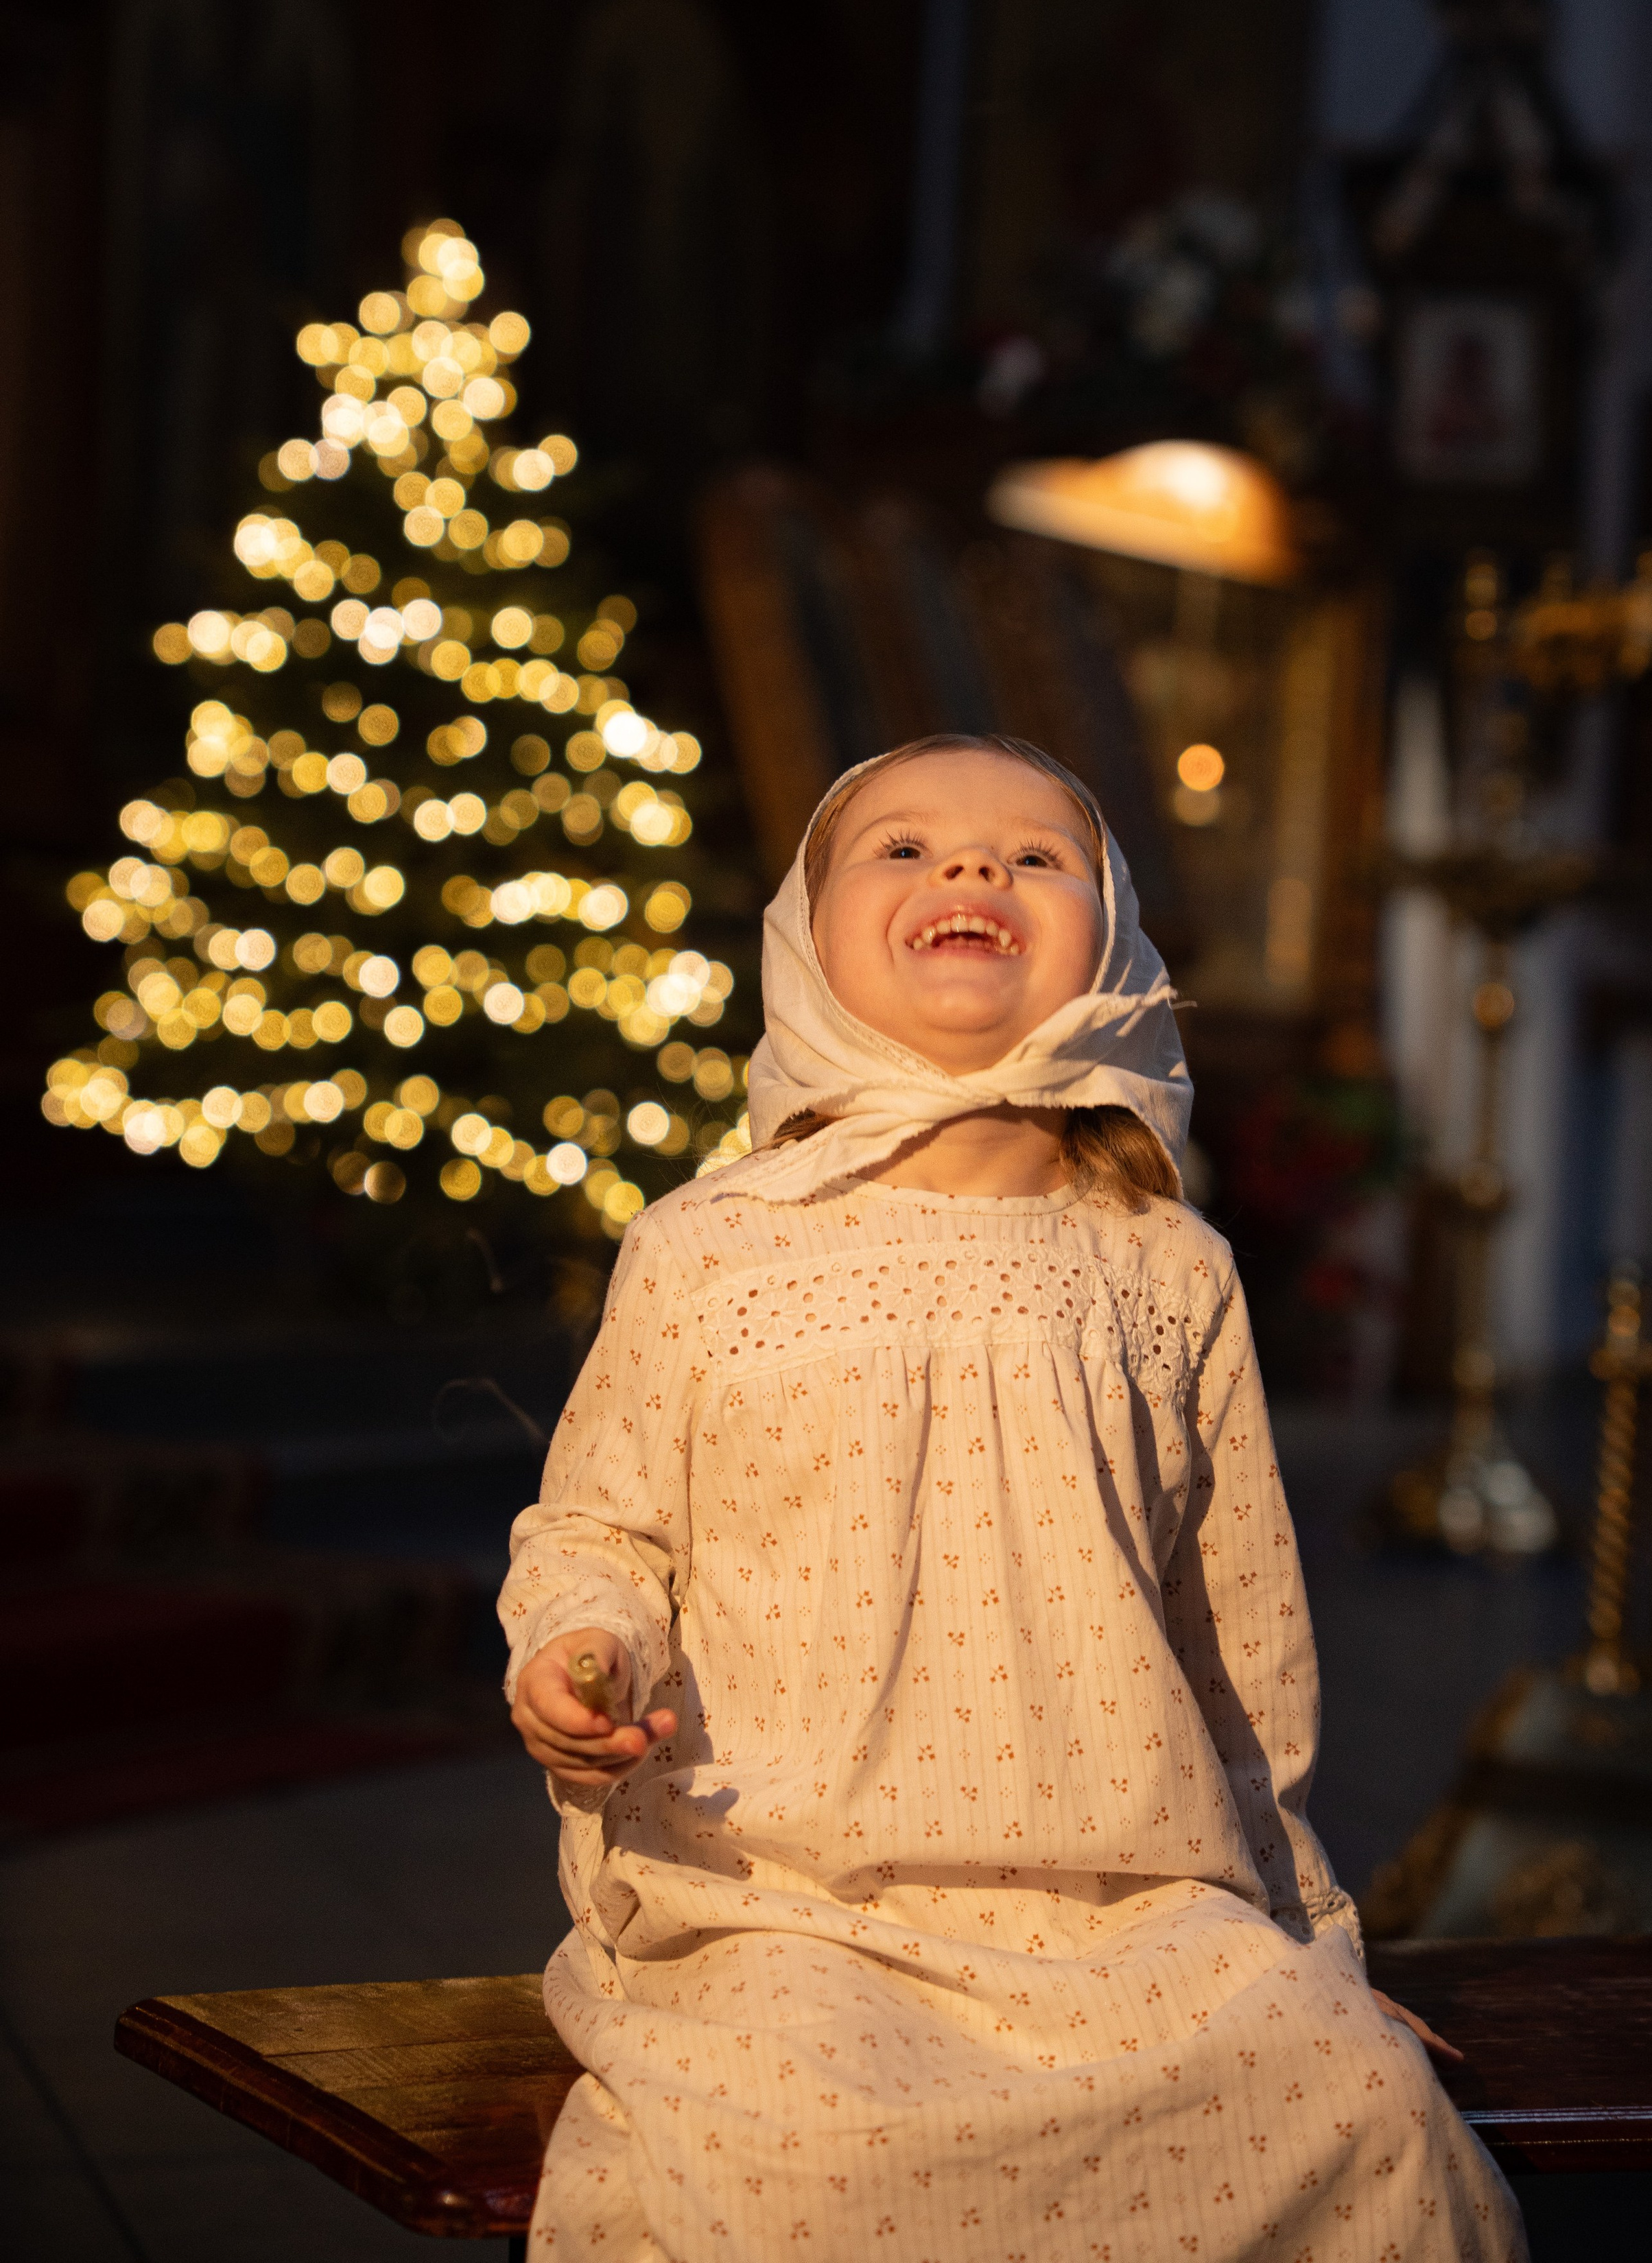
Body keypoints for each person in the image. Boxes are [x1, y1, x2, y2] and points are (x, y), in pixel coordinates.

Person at [502, 734, 1525, 2263]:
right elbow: (602, 1528)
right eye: (902, 848)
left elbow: (1238, 1640)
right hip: (789, 1899)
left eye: (1035, 855)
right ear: (806, 937)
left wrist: (1307, 1938)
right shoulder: (705, 1250)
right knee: (811, 2163)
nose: (971, 867)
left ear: (1110, 940)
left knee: (1360, 2107)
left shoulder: (1165, 1267)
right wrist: (583, 1650)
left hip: (1131, 1906)